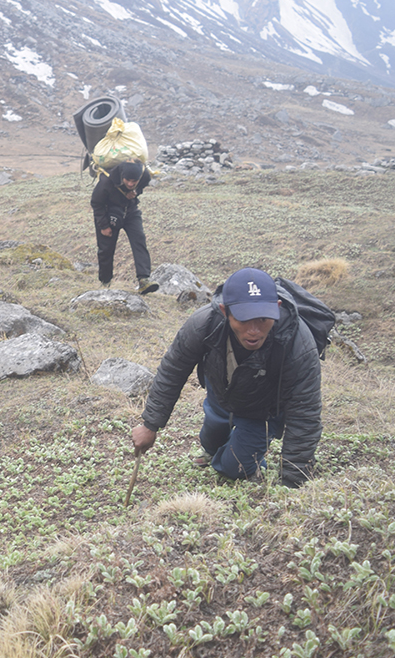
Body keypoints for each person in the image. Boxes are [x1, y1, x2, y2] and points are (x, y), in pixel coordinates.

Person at [130, 268, 322, 487]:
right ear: (224, 311)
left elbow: (305, 412)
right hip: (222, 393)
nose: (254, 330)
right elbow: (173, 369)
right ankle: (213, 449)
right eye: (243, 319)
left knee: (233, 468)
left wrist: (293, 479)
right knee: (210, 439)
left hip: (263, 411)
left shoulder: (298, 343)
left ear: (276, 309)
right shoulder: (203, 323)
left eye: (262, 319)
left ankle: (249, 457)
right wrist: (150, 425)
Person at [91, 159, 158, 294]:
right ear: (122, 175)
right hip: (108, 213)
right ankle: (105, 282)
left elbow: (142, 185)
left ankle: (144, 279)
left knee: (139, 240)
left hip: (130, 211)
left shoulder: (144, 175)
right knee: (106, 249)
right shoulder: (106, 182)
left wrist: (136, 191)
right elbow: (96, 203)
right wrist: (103, 226)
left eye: (134, 181)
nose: (131, 184)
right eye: (128, 180)